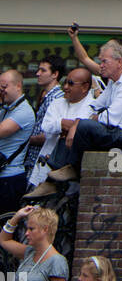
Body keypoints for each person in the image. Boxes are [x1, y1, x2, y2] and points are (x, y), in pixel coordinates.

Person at [44, 40, 122, 186]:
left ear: (119, 61)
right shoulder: (114, 81)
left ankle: (70, 170)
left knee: (84, 127)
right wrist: (75, 124)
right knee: (73, 129)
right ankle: (55, 178)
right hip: (115, 132)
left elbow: (110, 118)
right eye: (100, 61)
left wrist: (79, 124)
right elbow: (94, 105)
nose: (101, 65)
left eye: (104, 61)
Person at [22, 67, 96, 198]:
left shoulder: (93, 105)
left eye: (71, 84)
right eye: (65, 83)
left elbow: (82, 131)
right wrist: (63, 123)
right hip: (46, 162)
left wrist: (66, 127)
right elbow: (46, 126)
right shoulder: (57, 103)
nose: (66, 87)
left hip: (71, 168)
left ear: (85, 87)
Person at [0, 205, 68, 281]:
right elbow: (4, 240)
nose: (26, 233)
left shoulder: (57, 261)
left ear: (45, 229)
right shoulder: (29, 252)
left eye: (31, 229)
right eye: (27, 229)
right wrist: (17, 216)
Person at [23, 56, 65, 189]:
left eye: (43, 70)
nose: (37, 73)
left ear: (55, 74)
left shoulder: (55, 98)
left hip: (43, 160)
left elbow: (49, 134)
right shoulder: (48, 95)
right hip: (35, 159)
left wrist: (24, 139)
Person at [0, 69, 35, 213]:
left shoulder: (23, 111)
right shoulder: (6, 108)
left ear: (18, 86)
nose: (2, 91)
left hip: (10, 178)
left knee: (5, 225)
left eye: (4, 87)